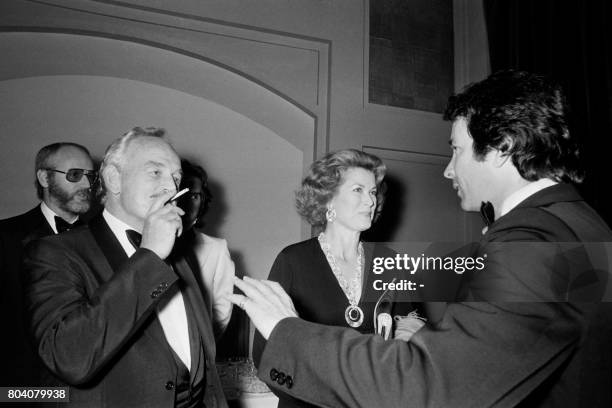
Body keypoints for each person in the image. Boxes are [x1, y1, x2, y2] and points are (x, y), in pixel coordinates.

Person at [231, 70, 612, 407]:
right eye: (357, 191)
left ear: (502, 147)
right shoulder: (580, 223)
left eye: (456, 149)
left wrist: (286, 330)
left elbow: (433, 384)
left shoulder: (534, 240)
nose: (448, 169)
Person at [22, 127, 227, 408]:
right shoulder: (55, 252)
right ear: (114, 179)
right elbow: (70, 358)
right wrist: (150, 256)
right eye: (155, 172)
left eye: (176, 177)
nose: (171, 187)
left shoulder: (180, 254)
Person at [252, 149, 418, 408]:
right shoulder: (293, 261)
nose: (370, 200)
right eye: (358, 190)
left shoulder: (392, 264)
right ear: (328, 199)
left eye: (373, 192)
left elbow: (413, 336)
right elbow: (267, 353)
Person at [0, 142, 95, 386]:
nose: (86, 184)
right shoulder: (6, 237)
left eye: (90, 176)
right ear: (44, 177)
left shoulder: (103, 239)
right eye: (75, 175)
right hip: (22, 390)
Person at [178, 159, 235, 339]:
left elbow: (222, 311)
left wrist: (201, 346)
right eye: (182, 194)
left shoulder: (217, 249)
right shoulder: (146, 241)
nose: (188, 203)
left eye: (195, 196)